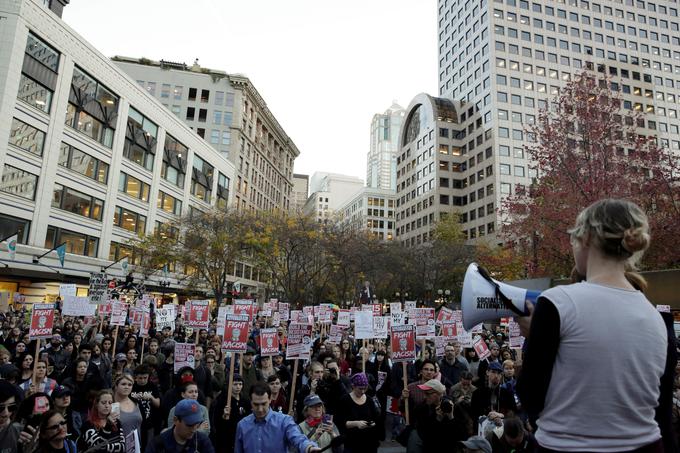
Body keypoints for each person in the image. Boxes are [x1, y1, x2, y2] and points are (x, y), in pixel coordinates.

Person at [517, 199, 671, 451]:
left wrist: (532, 338)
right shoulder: (653, 314)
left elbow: (530, 395)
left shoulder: (558, 301)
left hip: (565, 446)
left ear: (586, 237)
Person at [235, 382, 320, 453]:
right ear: (251, 402)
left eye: (264, 404)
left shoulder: (284, 421)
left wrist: (308, 447)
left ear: (270, 400)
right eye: (256, 404)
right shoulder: (242, 425)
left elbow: (297, 437)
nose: (260, 409)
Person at [406, 379, 468, 452]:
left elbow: (462, 435)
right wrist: (437, 419)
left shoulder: (452, 407)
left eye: (427, 394)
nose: (424, 397)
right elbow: (425, 435)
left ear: (438, 393)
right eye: (424, 393)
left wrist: (451, 417)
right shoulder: (422, 408)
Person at [335, 373, 380, 453]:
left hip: (369, 442)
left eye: (365, 388)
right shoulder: (345, 400)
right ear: (353, 386)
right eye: (360, 388)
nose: (363, 391)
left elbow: (376, 418)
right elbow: (339, 422)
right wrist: (356, 423)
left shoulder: (369, 400)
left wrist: (373, 423)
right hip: (352, 442)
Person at [470, 362, 516, 433]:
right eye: (493, 372)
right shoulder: (477, 393)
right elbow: (474, 414)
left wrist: (501, 415)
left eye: (499, 373)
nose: (496, 376)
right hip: (483, 428)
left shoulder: (507, 393)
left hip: (502, 428)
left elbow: (512, 411)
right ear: (487, 372)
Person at [210, 374, 250, 453]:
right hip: (226, 438)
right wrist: (224, 416)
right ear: (229, 385)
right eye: (235, 384)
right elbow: (216, 422)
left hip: (241, 436)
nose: (238, 387)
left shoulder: (245, 401)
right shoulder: (221, 400)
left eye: (240, 384)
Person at [131, 364, 161, 450]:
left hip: (149, 423)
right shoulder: (132, 387)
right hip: (135, 423)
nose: (143, 380)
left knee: (148, 447)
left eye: (145, 378)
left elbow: (158, 404)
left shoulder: (152, 386)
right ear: (135, 377)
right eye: (140, 378)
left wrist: (151, 398)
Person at [112, 373, 142, 438]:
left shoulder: (136, 402)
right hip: (117, 445)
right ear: (116, 386)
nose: (127, 387)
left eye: (130, 385)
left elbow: (143, 426)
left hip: (137, 446)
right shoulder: (110, 403)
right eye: (123, 384)